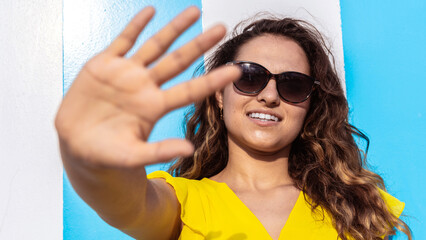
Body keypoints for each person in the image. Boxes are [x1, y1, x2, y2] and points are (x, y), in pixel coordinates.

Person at [55, 6, 411, 240]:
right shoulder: (184, 203)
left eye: (292, 84)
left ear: (310, 105)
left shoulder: (358, 209)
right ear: (219, 93)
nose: (269, 95)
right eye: (250, 77)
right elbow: (124, 203)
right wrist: (90, 155)